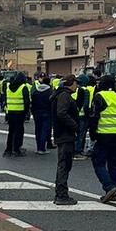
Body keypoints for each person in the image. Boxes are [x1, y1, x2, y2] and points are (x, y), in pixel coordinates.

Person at [87, 75, 116, 203]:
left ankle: (109, 187)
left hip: (103, 134)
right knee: (114, 163)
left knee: (98, 162)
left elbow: (94, 117)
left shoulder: (100, 96)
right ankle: (115, 188)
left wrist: (93, 135)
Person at [51, 76, 79, 205]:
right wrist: (75, 125)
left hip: (62, 133)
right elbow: (61, 113)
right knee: (64, 164)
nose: (77, 86)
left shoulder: (61, 95)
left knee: (64, 164)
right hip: (65, 134)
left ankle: (61, 193)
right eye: (76, 83)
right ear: (71, 84)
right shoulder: (64, 96)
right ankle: (61, 195)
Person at [3, 72, 31, 157]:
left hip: (11, 112)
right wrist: (26, 112)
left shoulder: (8, 87)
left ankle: (8, 149)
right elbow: (27, 101)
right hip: (20, 112)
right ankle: (16, 149)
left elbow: (6, 100)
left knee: (11, 131)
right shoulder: (23, 87)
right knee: (19, 131)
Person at [32, 77, 54, 155]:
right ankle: (42, 148)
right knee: (44, 130)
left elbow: (33, 102)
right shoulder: (50, 92)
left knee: (38, 130)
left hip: (36, 113)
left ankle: (38, 148)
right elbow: (52, 103)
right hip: (47, 113)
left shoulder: (36, 91)